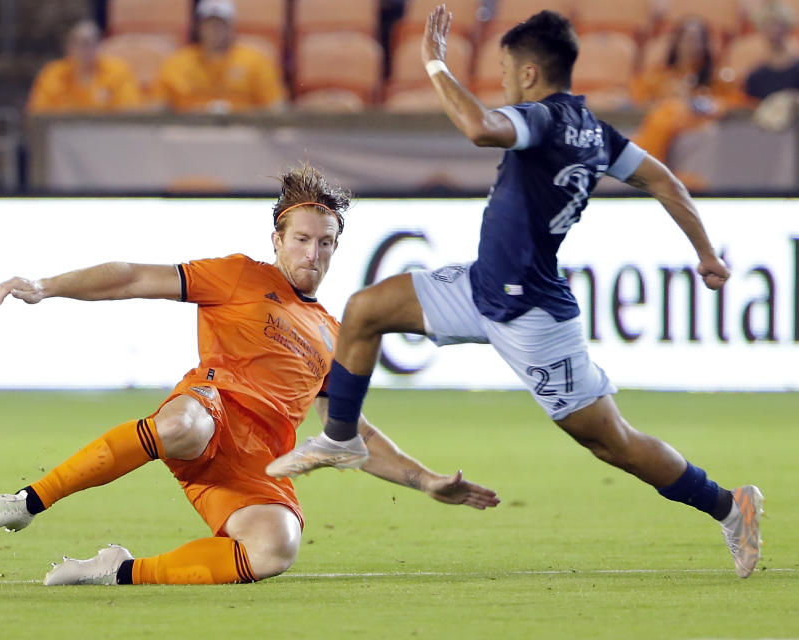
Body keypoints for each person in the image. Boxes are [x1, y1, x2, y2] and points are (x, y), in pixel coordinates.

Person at [267, 7, 764, 579]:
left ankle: (731, 505)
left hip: (531, 313)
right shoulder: (597, 133)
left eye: (504, 69)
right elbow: (664, 179)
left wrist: (433, 63)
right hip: (483, 287)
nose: (502, 81)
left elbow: (481, 128)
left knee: (613, 443)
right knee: (366, 309)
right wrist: (705, 253)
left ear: (528, 73)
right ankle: (341, 438)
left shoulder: (543, 118)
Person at [0, 164, 499, 586]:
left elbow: (349, 433)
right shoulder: (241, 275)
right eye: (302, 239)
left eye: (325, 242)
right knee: (184, 426)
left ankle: (116, 569)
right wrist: (47, 285)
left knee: (276, 548)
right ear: (278, 240)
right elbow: (133, 278)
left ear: (336, 246)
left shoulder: (337, 334)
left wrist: (425, 479)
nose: (313, 253)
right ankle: (26, 503)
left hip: (257, 462)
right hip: (208, 411)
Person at [628, 16, 743, 190]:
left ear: (706, 44)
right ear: (677, 43)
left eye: (698, 40)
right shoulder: (658, 76)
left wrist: (712, 105)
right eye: (688, 39)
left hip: (698, 133)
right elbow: (639, 99)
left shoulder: (718, 77)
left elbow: (736, 100)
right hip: (662, 134)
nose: (693, 46)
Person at [149, 0, 286, 113]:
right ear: (199, 27)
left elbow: (276, 108)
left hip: (242, 136)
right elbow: (157, 109)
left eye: (221, 23)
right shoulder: (177, 63)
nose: (215, 29)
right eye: (209, 23)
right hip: (190, 136)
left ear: (232, 26)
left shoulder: (255, 61)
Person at [27, 19, 142, 114]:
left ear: (100, 45)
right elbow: (38, 115)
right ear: (68, 46)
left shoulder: (117, 71)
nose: (85, 50)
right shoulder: (53, 74)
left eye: (90, 43)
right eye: (79, 43)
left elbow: (130, 113)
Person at [743, 1, 799, 131]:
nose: (774, 29)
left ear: (787, 27)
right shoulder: (756, 75)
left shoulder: (797, 69)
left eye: (778, 24)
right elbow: (751, 108)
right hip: (765, 136)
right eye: (768, 24)